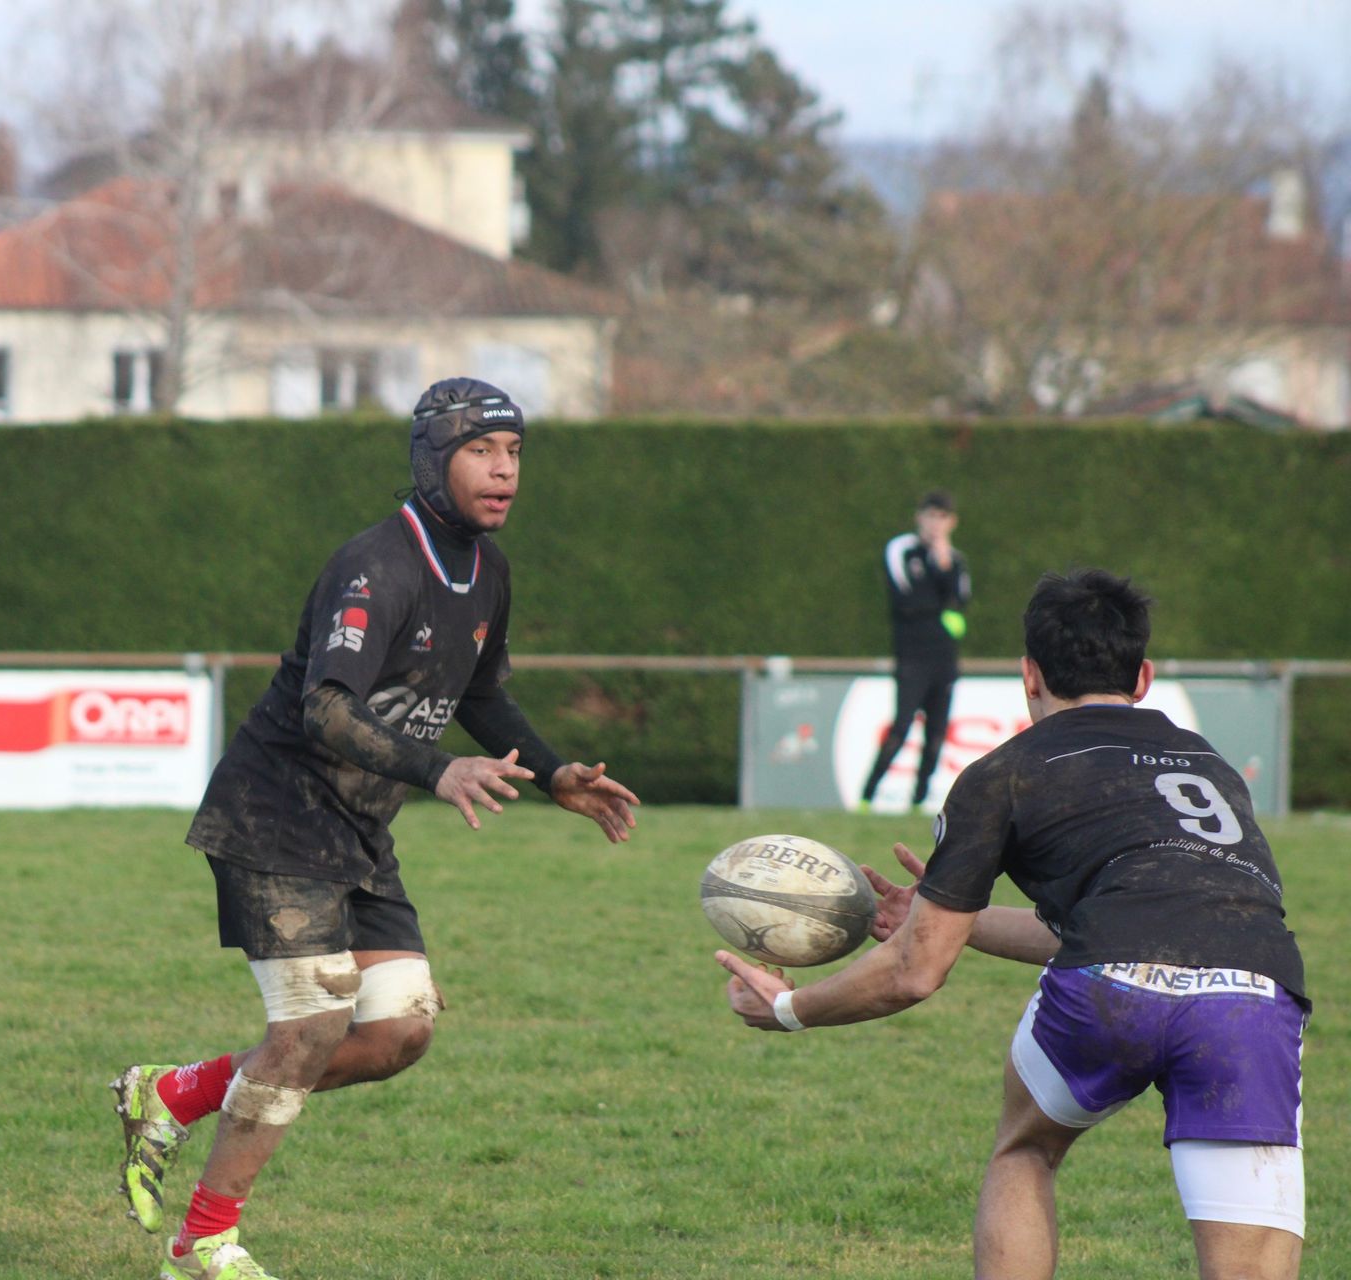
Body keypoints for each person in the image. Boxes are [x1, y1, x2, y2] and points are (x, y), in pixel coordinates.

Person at [111, 376, 641, 1280]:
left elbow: (480, 694)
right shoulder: (376, 567)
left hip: (356, 833)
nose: (504, 471)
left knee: (400, 1030)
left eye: (514, 452)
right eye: (481, 451)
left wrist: (555, 773)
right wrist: (440, 769)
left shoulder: (488, 571)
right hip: (275, 819)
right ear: (432, 462)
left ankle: (171, 1092)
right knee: (311, 1028)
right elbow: (323, 707)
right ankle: (202, 1244)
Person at [720, 569, 1306, 1280]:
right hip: (1251, 991)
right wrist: (949, 921)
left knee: (1027, 1148)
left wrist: (789, 1008)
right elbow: (1137, 916)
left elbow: (915, 973)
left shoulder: (1004, 772)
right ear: (1143, 677)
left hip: (1110, 992)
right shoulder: (1214, 767)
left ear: (1029, 675)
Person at [859, 490, 970, 812]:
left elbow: (960, 600)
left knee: (936, 733)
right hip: (911, 656)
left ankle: (918, 801)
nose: (935, 523)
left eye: (942, 517)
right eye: (931, 515)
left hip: (943, 657)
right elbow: (907, 599)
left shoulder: (955, 560)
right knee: (902, 725)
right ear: (919, 517)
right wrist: (940, 606)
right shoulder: (901, 550)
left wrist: (943, 564)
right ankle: (867, 796)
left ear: (951, 522)